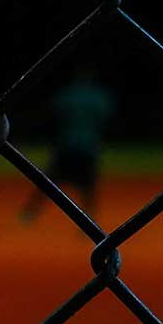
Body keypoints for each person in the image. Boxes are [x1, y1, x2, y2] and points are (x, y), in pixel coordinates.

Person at [20, 70, 114, 222]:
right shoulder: (99, 96)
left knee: (48, 182)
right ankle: (89, 222)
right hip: (88, 146)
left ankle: (30, 213)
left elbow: (53, 116)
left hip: (66, 144)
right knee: (88, 186)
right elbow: (105, 119)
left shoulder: (67, 95)